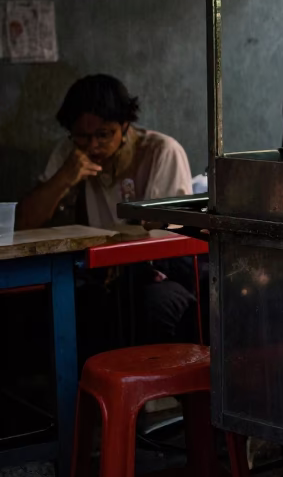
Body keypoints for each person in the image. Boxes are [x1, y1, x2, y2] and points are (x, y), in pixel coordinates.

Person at [16, 74, 198, 348]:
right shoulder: (70, 153)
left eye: (104, 134)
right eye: (82, 136)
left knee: (153, 305)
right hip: (97, 276)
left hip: (157, 275)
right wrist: (64, 178)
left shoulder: (161, 152)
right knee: (54, 306)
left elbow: (169, 240)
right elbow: (24, 223)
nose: (92, 146)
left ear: (125, 126)